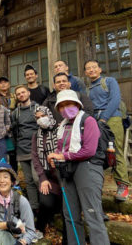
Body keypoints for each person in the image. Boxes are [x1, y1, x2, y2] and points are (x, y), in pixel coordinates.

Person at [47, 90, 109, 245]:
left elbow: (89, 150)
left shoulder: (88, 121)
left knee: (92, 214)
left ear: (76, 104)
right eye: (61, 106)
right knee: (70, 215)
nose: (65, 108)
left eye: (68, 104)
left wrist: (63, 156)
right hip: (67, 170)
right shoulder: (63, 124)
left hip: (87, 167)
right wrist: (55, 156)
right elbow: (61, 148)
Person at [85, 60, 130, 201]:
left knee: (114, 150)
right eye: (88, 68)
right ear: (86, 73)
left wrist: (103, 118)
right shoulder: (88, 89)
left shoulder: (109, 81)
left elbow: (115, 100)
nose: (91, 70)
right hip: (96, 121)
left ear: (99, 69)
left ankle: (123, 186)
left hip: (112, 117)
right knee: (98, 152)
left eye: (94, 67)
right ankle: (98, 185)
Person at [0, 162, 36, 245]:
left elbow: (30, 231)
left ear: (12, 181)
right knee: (3, 234)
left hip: (17, 239)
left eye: (5, 177)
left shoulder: (21, 201)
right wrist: (6, 225)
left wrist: (22, 242)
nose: (2, 181)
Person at [31, 106, 62, 235]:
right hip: (48, 176)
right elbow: (35, 157)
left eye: (43, 116)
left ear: (49, 115)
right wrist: (42, 178)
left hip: (63, 175)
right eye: (37, 118)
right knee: (45, 203)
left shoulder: (60, 129)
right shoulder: (36, 135)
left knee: (64, 206)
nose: (40, 120)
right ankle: (39, 228)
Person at [11, 85, 40, 213]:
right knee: (28, 181)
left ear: (28, 93)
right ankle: (35, 207)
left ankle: (45, 202)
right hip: (22, 149)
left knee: (37, 178)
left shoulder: (37, 108)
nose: (21, 95)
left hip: (36, 148)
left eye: (23, 92)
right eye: (18, 94)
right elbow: (14, 130)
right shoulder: (15, 113)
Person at [0, 76, 18, 171]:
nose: (3, 84)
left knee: (13, 154)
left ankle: (15, 178)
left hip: (13, 129)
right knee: (1, 153)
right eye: (0, 83)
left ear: (9, 84)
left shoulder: (14, 96)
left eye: (5, 82)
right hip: (0, 129)